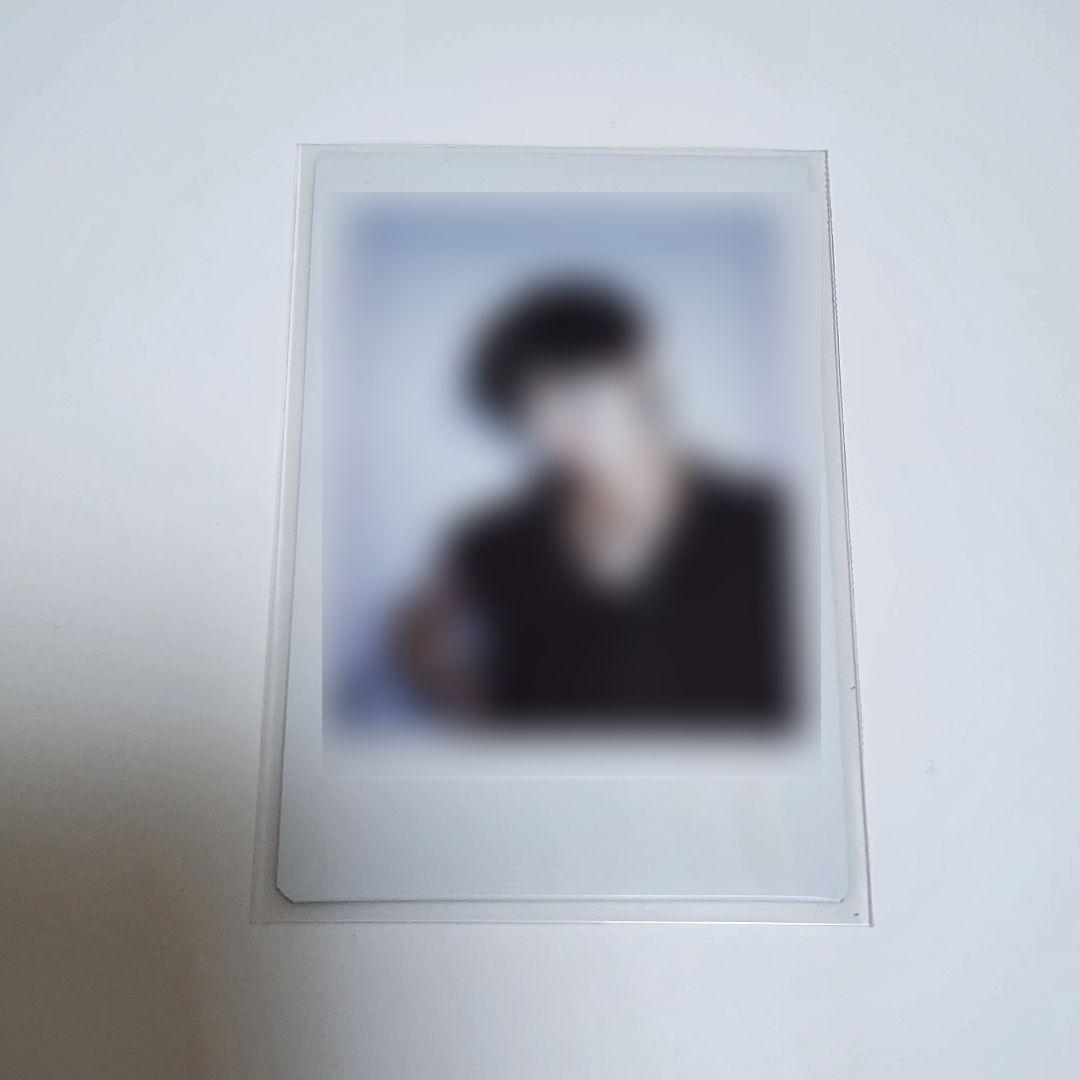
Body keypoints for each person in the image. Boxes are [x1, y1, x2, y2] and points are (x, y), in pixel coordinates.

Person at [397, 278, 791, 727]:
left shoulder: (763, 521)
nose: (554, 433)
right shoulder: (498, 537)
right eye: (529, 411)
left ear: (640, 372)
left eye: (575, 395)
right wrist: (482, 717)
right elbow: (419, 629)